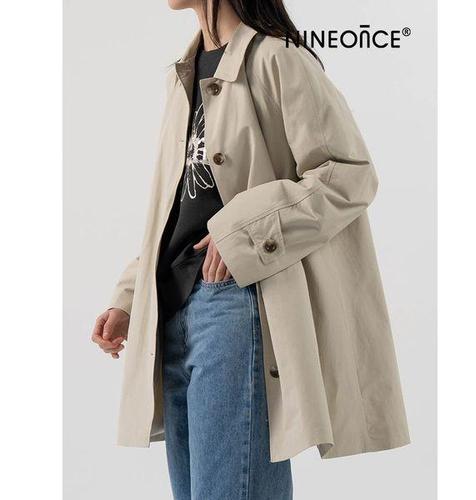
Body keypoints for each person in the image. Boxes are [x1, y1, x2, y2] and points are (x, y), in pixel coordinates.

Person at [91, 1, 410, 498]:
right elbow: (176, 209)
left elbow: (349, 175)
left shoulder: (278, 59)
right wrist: (130, 297)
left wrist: (242, 233)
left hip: (237, 304)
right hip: (172, 311)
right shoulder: (182, 73)